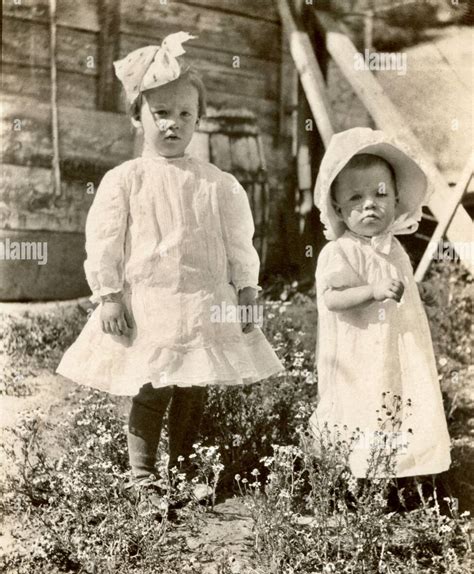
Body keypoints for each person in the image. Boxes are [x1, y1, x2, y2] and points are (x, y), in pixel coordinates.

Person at [57, 32, 283, 510]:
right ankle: (143, 476)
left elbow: (239, 241)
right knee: (152, 384)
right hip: (150, 300)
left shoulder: (218, 184)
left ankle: (181, 468)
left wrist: (245, 289)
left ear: (199, 119)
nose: (173, 124)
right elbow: (103, 240)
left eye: (185, 114)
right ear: (138, 119)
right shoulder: (126, 180)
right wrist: (109, 294)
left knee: (193, 385)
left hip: (203, 300)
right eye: (161, 113)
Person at [309, 127, 451, 481]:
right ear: (339, 209)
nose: (369, 203)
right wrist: (371, 290)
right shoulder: (339, 251)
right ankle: (358, 473)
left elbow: (403, 290)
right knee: (362, 399)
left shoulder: (395, 248)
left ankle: (401, 469)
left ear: (397, 199)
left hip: (395, 343)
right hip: (357, 348)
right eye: (355, 198)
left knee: (398, 393)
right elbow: (331, 298)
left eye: (380, 193)